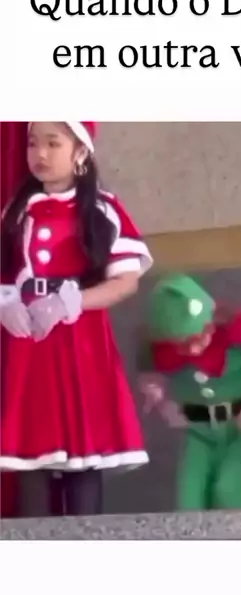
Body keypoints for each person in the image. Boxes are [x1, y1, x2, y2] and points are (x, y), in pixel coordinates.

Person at [0, 121, 152, 517]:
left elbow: (126, 281)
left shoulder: (103, 209)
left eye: (53, 143)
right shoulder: (15, 212)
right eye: (33, 143)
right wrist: (6, 302)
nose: (40, 154)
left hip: (81, 342)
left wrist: (71, 302)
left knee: (83, 460)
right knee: (31, 459)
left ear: (81, 151)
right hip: (30, 343)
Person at [137, 274, 241, 510]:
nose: (194, 350)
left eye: (200, 336)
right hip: (198, 429)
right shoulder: (157, 348)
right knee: (188, 498)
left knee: (230, 490)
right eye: (183, 345)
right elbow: (150, 374)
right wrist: (159, 397)